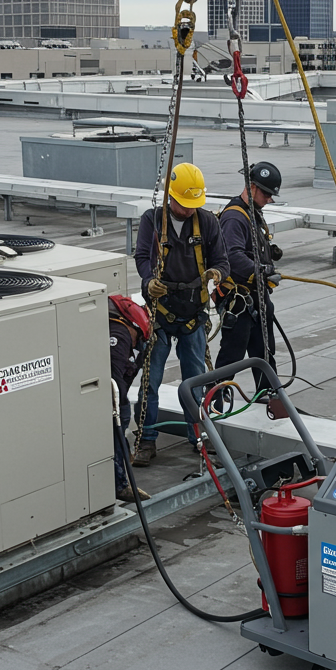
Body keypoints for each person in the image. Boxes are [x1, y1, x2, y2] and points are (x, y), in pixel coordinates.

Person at [132, 162, 229, 467]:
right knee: (151, 381)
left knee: (195, 380)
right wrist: (149, 282)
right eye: (184, 205)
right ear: (170, 197)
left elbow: (222, 260)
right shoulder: (153, 220)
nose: (189, 211)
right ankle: (146, 439)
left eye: (193, 206)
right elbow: (142, 256)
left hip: (192, 314)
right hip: (160, 314)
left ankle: (198, 435)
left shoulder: (206, 223)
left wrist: (216, 273)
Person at [214, 161, 284, 391]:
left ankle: (271, 396)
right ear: (251, 187)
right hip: (240, 302)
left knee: (264, 353)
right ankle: (215, 400)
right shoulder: (234, 217)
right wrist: (262, 270)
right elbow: (232, 257)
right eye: (266, 193)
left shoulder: (252, 214)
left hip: (257, 299)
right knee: (231, 356)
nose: (269, 199)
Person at [108, 295, 151, 502]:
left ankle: (120, 481)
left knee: (119, 440)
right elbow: (115, 376)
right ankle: (120, 485)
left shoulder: (125, 334)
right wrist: (120, 405)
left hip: (117, 398)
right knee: (115, 441)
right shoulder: (119, 334)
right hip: (114, 401)